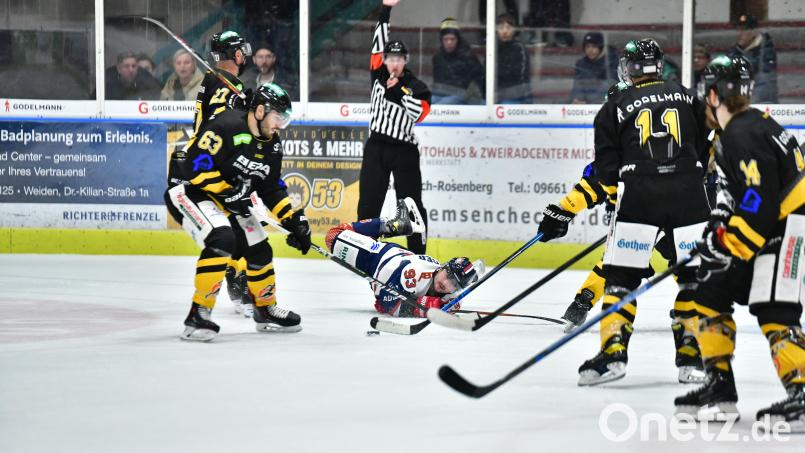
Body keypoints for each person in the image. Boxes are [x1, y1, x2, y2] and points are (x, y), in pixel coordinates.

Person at [537, 39, 711, 386]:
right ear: (659, 66)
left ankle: (613, 353)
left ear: (629, 68)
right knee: (694, 280)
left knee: (620, 280)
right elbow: (706, 149)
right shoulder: (689, 96)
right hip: (690, 199)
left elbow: (605, 173)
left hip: (640, 200)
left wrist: (568, 210)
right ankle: (692, 360)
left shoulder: (614, 104)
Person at [674, 55, 805, 429]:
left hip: (786, 229)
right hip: (769, 229)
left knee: (774, 309)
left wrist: (729, 246)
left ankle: (803, 390)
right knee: (709, 291)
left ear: (713, 95)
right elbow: (733, 196)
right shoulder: (739, 131)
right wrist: (715, 234)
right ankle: (719, 388)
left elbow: (759, 202)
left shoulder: (743, 134)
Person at [165, 83, 310, 342]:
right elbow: (194, 166)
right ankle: (198, 313)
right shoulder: (227, 125)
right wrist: (227, 191)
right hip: (190, 190)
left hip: (226, 198)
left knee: (260, 249)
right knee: (223, 239)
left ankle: (265, 310)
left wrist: (293, 219)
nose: (280, 125)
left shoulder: (272, 145)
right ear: (261, 111)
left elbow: (270, 187)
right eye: (279, 117)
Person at [186, 30, 254, 316]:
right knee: (242, 227)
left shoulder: (215, 82)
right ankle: (241, 285)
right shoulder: (225, 86)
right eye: (242, 51)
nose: (246, 55)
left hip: (208, 162)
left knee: (238, 225)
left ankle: (238, 281)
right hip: (216, 165)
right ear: (236, 55)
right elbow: (218, 126)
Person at [359, 0, 431, 254]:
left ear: (406, 60)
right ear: (385, 60)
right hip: (377, 146)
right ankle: (364, 250)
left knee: (412, 205)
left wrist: (399, 92)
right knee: (368, 203)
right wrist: (386, 10)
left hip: (405, 151)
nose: (394, 63)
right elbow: (378, 41)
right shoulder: (377, 74)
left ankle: (418, 254)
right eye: (390, 58)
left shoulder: (416, 85)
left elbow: (420, 113)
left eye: (399, 59)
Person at [326, 198, 479, 317]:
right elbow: (388, 305)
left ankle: (394, 225)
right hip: (374, 257)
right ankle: (392, 224)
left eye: (453, 283)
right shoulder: (415, 275)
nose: (445, 283)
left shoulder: (451, 291)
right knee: (333, 235)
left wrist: (451, 304)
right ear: (442, 267)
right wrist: (434, 306)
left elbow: (453, 298)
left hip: (399, 256)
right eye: (448, 275)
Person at [431, 18, 485, 105]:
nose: (449, 42)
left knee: (438, 107)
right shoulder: (438, 57)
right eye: (446, 39)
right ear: (441, 40)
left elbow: (481, 79)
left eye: (452, 39)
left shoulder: (468, 57)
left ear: (458, 39)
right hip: (438, 95)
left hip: (459, 97)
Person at [728, 13, 777, 103]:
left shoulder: (766, 49)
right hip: (739, 103)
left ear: (755, 31)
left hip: (763, 104)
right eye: (737, 30)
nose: (739, 34)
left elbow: (764, 79)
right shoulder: (734, 51)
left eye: (744, 30)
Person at [569, 32, 618, 104]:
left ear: (601, 47)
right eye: (587, 47)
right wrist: (578, 98)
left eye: (594, 46)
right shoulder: (581, 63)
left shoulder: (612, 61)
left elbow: (611, 85)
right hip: (585, 104)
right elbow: (578, 84)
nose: (590, 50)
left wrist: (590, 101)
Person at [495, 13, 531, 104]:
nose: (504, 31)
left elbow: (519, 78)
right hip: (496, 95)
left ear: (514, 30)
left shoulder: (519, 48)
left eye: (508, 27)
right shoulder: (493, 48)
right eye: (501, 27)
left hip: (515, 96)